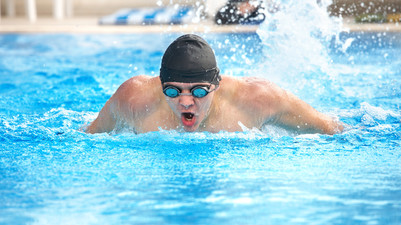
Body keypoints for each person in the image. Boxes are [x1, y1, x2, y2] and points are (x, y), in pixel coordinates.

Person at [86, 34, 343, 135]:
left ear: (216, 85)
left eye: (198, 91)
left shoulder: (259, 100)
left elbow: (331, 129)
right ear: (160, 85)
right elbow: (88, 138)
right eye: (173, 91)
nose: (186, 102)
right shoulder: (133, 99)